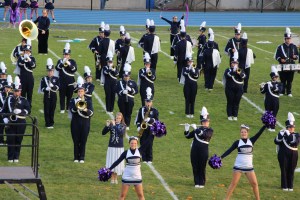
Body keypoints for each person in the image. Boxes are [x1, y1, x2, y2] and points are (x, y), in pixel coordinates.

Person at [221, 124, 266, 200]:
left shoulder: (251, 140)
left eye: (245, 132)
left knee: (255, 184)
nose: (243, 133)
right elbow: (229, 150)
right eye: (242, 132)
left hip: (249, 167)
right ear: (240, 133)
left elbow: (259, 133)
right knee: (233, 184)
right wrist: (221, 157)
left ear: (247, 133)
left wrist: (265, 125)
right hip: (238, 166)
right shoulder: (237, 142)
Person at [2, 76, 31, 163]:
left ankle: (16, 156)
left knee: (19, 139)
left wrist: (21, 111)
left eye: (18, 91)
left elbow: (28, 111)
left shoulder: (24, 100)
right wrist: (5, 119)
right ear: (13, 91)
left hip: (21, 122)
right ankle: (10, 157)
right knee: (11, 139)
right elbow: (3, 111)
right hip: (10, 123)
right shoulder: (8, 99)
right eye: (15, 91)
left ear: (20, 91)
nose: (16, 93)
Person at [184, 107, 213, 188]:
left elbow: (204, 135)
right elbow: (188, 136)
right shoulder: (198, 129)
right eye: (203, 121)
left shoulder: (210, 130)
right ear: (201, 122)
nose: (205, 123)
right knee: (195, 166)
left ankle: (202, 182)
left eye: (206, 121)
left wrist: (196, 129)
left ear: (208, 122)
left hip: (203, 151)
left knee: (202, 166)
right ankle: (196, 182)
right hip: (194, 150)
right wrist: (186, 129)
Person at [69, 76, 93, 163]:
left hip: (85, 123)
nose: (80, 92)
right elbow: (72, 110)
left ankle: (82, 157)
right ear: (77, 92)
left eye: (82, 91)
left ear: (84, 92)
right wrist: (77, 105)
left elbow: (91, 113)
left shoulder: (88, 101)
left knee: (83, 140)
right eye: (79, 91)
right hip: (75, 123)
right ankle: (76, 157)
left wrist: (86, 110)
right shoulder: (73, 100)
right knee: (76, 140)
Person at [274, 112, 300, 191]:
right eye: (289, 127)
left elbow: (294, 142)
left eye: (292, 127)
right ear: (287, 127)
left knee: (291, 169)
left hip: (293, 155)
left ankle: (290, 186)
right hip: (283, 154)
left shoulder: (297, 135)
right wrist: (280, 134)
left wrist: (288, 134)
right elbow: (276, 141)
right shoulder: (283, 134)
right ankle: (284, 186)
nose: (291, 128)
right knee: (284, 169)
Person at [135, 87, 159, 163]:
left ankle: (149, 158)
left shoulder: (155, 111)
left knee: (149, 143)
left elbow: (157, 121)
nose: (148, 103)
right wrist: (139, 127)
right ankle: (144, 158)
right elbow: (138, 120)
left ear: (152, 102)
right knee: (143, 142)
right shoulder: (141, 109)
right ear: (145, 102)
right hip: (143, 128)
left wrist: (150, 120)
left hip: (151, 129)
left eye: (149, 102)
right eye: (147, 102)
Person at [102, 112, 126, 184]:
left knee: (118, 162)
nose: (118, 119)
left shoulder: (123, 125)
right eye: (117, 118)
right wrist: (107, 126)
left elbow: (120, 133)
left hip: (119, 147)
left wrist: (115, 125)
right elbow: (103, 133)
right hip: (111, 146)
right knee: (111, 161)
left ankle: (116, 178)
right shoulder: (112, 124)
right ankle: (112, 178)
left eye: (119, 118)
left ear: (121, 119)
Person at [275, 27, 299, 97]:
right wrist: (280, 59)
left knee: (290, 79)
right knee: (283, 78)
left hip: (291, 65)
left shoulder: (294, 46)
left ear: (291, 39)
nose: (288, 40)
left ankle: (289, 92)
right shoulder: (280, 47)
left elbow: (297, 56)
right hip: (282, 65)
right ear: (285, 39)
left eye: (289, 39)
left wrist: (296, 57)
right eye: (287, 39)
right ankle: (282, 91)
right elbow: (276, 56)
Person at [55, 43, 77, 113]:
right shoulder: (60, 61)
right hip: (62, 81)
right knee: (62, 95)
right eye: (64, 54)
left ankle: (68, 108)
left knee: (69, 96)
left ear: (69, 55)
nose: (65, 55)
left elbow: (74, 70)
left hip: (70, 81)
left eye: (67, 54)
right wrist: (62, 63)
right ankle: (62, 109)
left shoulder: (72, 61)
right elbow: (57, 68)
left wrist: (69, 64)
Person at [223, 52, 245, 121]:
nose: (235, 64)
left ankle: (235, 115)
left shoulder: (240, 70)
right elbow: (228, 75)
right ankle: (229, 115)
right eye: (233, 63)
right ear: (231, 63)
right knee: (230, 101)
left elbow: (243, 76)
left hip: (239, 89)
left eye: (236, 63)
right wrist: (234, 71)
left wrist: (238, 72)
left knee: (236, 102)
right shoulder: (228, 70)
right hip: (230, 89)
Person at [116, 63, 138, 129]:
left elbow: (136, 91)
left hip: (130, 100)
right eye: (125, 76)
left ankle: (127, 124)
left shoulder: (133, 82)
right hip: (121, 100)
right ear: (123, 76)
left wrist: (131, 90)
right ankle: (123, 123)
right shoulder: (119, 82)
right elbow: (117, 90)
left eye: (128, 76)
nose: (126, 77)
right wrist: (122, 92)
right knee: (122, 112)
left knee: (129, 112)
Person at [39, 58, 59, 128]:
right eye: (49, 71)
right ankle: (47, 123)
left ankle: (52, 122)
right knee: (46, 109)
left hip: (53, 95)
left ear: (53, 71)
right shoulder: (44, 79)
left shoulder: (56, 78)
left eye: (51, 71)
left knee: (52, 109)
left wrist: (53, 86)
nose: (50, 72)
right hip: (46, 96)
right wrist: (46, 89)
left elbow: (58, 87)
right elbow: (42, 88)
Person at [17, 39, 36, 105]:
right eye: (25, 51)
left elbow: (33, 66)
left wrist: (28, 59)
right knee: (22, 94)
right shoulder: (21, 58)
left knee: (29, 94)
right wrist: (24, 59)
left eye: (28, 51)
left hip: (30, 79)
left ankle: (28, 108)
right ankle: (22, 106)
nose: (27, 52)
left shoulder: (32, 58)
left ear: (30, 51)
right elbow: (20, 65)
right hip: (22, 78)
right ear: (24, 51)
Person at [0, 75, 13, 145]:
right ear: (4, 87)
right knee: (0, 127)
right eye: (6, 87)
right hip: (1, 113)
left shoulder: (12, 96)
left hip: (9, 114)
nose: (7, 89)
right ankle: (1, 140)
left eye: (9, 88)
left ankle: (8, 140)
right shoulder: (0, 94)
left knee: (9, 128)